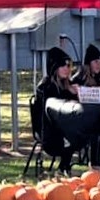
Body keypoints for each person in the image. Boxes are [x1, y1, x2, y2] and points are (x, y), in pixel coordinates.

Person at [35, 47, 80, 175]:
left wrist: (78, 94)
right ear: (54, 67)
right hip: (49, 131)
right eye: (63, 65)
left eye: (68, 65)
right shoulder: (46, 85)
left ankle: (65, 167)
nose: (67, 68)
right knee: (72, 135)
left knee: (85, 131)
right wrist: (68, 92)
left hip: (66, 128)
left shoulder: (68, 84)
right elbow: (52, 106)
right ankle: (63, 167)